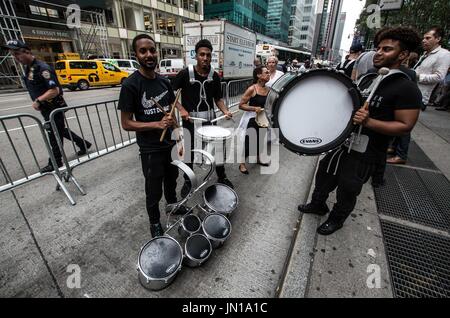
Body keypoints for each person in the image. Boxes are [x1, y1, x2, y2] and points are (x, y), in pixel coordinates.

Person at [298, 27, 423, 235]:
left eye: (387, 49)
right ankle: (318, 204)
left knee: (348, 187)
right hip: (343, 143)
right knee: (324, 173)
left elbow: (405, 126)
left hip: (367, 151)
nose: (379, 53)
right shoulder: (367, 79)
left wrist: (370, 122)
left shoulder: (406, 88)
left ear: (402, 55)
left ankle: (337, 219)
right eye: (378, 48)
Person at [118, 34, 189, 238]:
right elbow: (126, 123)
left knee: (171, 180)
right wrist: (156, 124)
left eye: (151, 50)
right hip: (150, 149)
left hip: (169, 145)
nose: (149, 54)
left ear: (157, 52)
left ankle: (173, 206)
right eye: (143, 51)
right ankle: (155, 222)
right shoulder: (130, 85)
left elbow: (171, 111)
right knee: (153, 189)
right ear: (136, 54)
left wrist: (178, 137)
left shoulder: (164, 81)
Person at [2, 39, 91, 173]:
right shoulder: (29, 68)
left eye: (16, 54)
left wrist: (38, 100)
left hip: (53, 107)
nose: (15, 58)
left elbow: (54, 90)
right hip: (47, 108)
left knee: (54, 135)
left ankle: (55, 162)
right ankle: (83, 144)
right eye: (13, 55)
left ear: (26, 52)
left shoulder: (42, 68)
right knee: (59, 130)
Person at [172, 39, 234, 193]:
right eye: (202, 54)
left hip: (210, 120)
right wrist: (181, 109)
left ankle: (222, 176)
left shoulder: (214, 76)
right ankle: (188, 181)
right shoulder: (185, 73)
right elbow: (170, 95)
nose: (205, 58)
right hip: (190, 121)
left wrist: (225, 110)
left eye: (208, 55)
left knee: (217, 149)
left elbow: (218, 99)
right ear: (196, 55)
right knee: (189, 152)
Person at [237, 66, 270, 174]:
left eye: (268, 72)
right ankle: (242, 164)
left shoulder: (268, 89)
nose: (268, 74)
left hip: (263, 119)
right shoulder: (252, 89)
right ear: (259, 75)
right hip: (251, 119)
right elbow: (241, 105)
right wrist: (254, 108)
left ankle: (258, 158)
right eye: (266, 72)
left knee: (260, 140)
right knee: (249, 143)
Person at [414, 27, 450, 111]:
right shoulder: (425, 53)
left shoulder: (444, 54)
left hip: (419, 98)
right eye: (423, 38)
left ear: (438, 39)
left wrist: (416, 75)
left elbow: (439, 77)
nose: (423, 40)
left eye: (428, 38)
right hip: (410, 92)